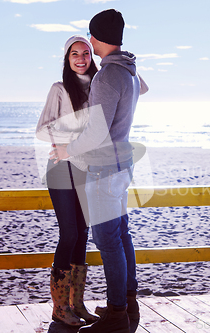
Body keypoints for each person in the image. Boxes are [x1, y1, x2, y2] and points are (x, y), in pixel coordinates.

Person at [53, 8, 147, 333]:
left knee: (108, 241)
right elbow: (138, 89)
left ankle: (117, 314)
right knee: (122, 235)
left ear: (95, 38)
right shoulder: (129, 71)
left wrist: (67, 149)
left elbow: (95, 133)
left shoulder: (107, 76)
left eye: (89, 38)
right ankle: (127, 304)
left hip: (105, 169)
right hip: (122, 165)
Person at [35, 35, 100, 327]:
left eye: (86, 52)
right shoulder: (60, 89)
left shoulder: (100, 86)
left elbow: (143, 88)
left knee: (83, 233)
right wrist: (74, 140)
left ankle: (77, 304)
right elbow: (42, 129)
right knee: (70, 234)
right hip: (61, 167)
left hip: (87, 168)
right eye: (74, 53)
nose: (81, 58)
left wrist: (126, 62)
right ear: (67, 58)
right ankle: (60, 308)